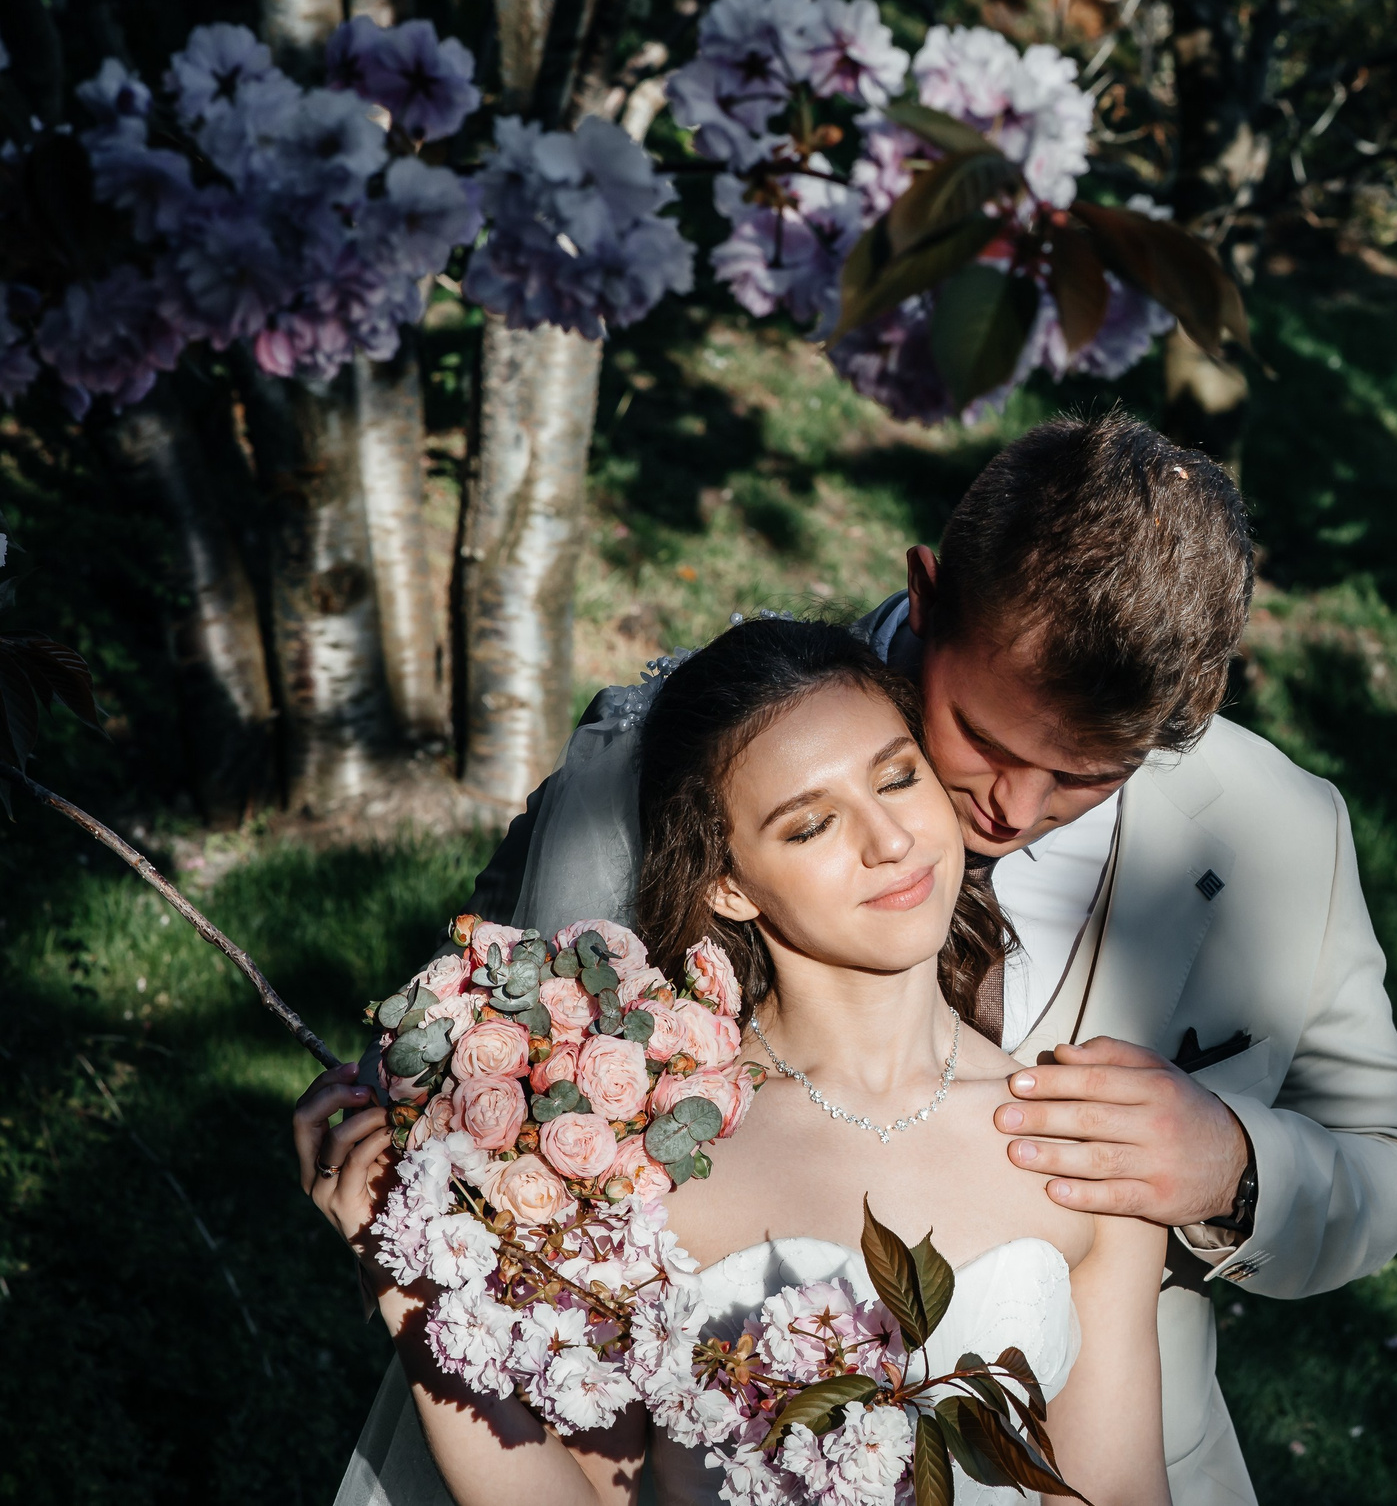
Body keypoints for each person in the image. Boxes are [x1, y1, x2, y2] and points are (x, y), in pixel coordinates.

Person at [331, 412, 1397, 1506]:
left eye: (1088, 775)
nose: (1013, 810)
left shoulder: (1281, 831)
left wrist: (1230, 1164)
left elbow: (1388, 1157)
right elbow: (488, 1038)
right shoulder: (654, 768)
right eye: (982, 740)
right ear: (927, 598)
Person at [297, 622, 1171, 1506]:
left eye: (898, 778)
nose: (890, 840)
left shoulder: (1083, 1138)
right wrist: (410, 1283)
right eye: (811, 824)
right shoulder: (637, 1150)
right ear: (729, 884)